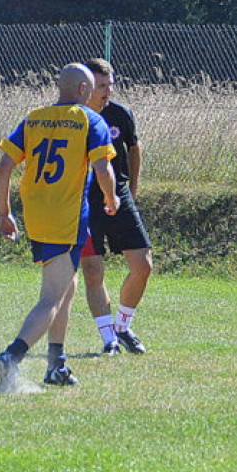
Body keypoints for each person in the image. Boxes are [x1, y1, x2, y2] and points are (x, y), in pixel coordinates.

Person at [0, 63, 119, 392]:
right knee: (51, 296)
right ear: (82, 91)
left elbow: (5, 165)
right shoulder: (91, 120)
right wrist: (111, 198)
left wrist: (4, 213)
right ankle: (12, 356)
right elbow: (103, 169)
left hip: (37, 215)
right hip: (66, 217)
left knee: (67, 287)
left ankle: (56, 363)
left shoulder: (34, 117)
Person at [80, 58, 153, 354]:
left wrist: (132, 187)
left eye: (110, 85)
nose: (106, 91)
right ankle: (108, 338)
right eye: (101, 86)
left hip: (119, 196)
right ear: (85, 87)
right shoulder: (74, 118)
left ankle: (123, 326)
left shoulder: (120, 114)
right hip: (85, 201)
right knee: (93, 270)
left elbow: (134, 148)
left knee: (143, 266)